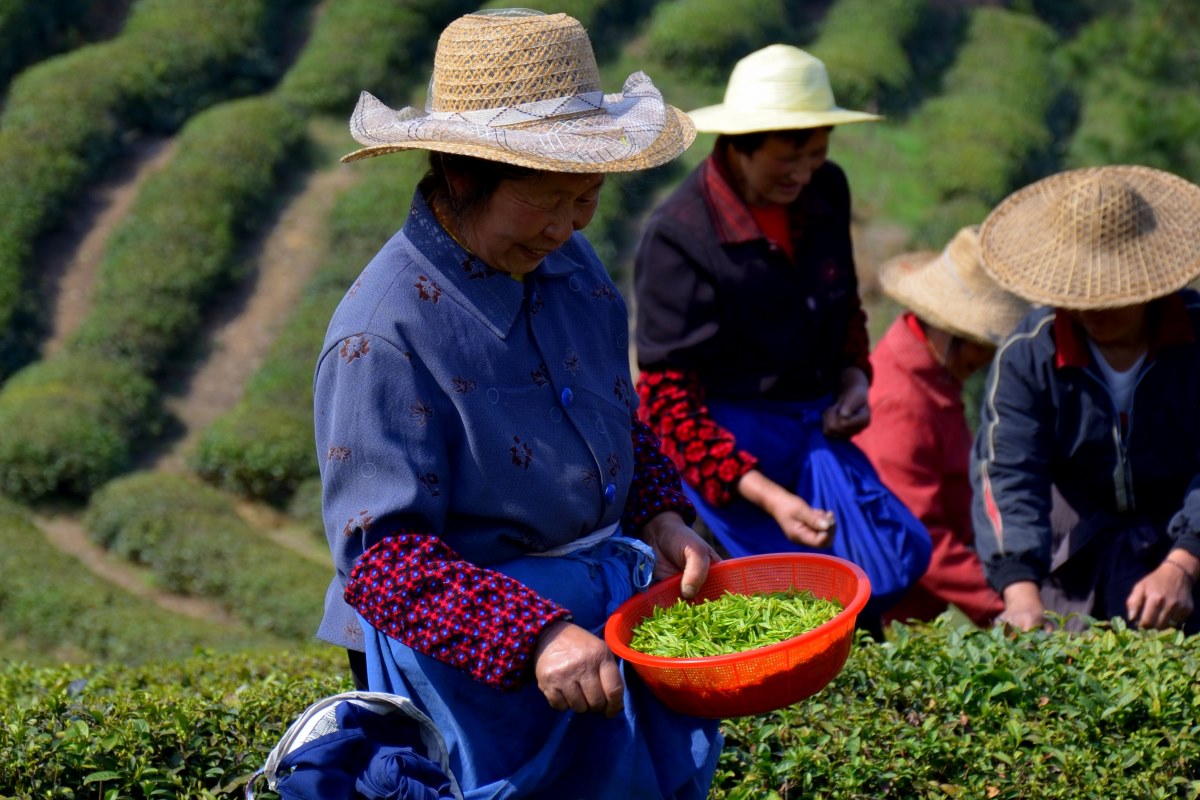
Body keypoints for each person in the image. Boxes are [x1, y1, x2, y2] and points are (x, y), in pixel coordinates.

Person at [313, 10, 723, 798]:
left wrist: (660, 517)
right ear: (462, 174)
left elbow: (612, 416)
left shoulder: (571, 263)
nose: (569, 226)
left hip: (601, 624)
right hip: (479, 668)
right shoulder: (382, 337)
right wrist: (534, 636)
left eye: (588, 196)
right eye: (547, 200)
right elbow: (382, 563)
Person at [633, 44, 932, 620]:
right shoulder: (681, 236)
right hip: (732, 440)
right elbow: (669, 402)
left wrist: (853, 380)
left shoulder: (826, 191)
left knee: (892, 563)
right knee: (795, 603)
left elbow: (842, 305)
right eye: (787, 159)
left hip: (813, 422)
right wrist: (770, 498)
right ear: (740, 145)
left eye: (816, 154)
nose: (803, 173)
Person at [972, 165, 1200, 634]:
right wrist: (1021, 590)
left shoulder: (1195, 336)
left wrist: (1183, 562)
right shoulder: (1029, 355)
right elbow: (1009, 472)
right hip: (1075, 555)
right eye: (1077, 293)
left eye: (1110, 294)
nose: (1090, 309)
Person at [853, 226, 1030, 628]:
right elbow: (920, 535)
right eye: (980, 342)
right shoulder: (901, 402)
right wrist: (1005, 605)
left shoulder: (934, 377)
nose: (986, 357)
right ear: (947, 330)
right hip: (896, 615)